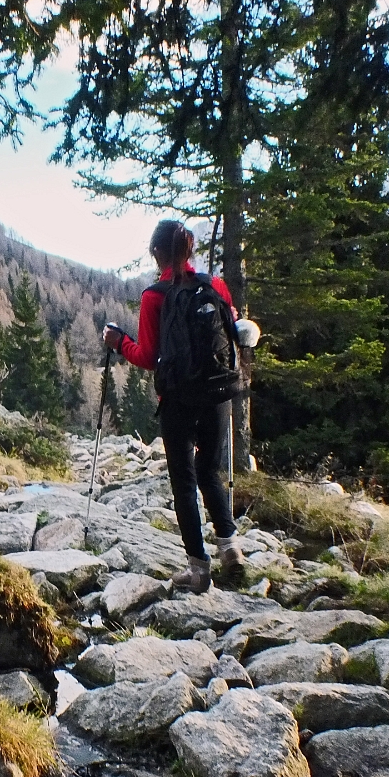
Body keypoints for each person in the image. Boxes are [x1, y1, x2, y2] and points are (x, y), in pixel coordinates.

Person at [104, 219, 246, 593]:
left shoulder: (155, 296)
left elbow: (149, 356)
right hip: (218, 392)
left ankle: (198, 570)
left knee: (183, 477)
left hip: (179, 398)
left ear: (157, 253)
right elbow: (232, 329)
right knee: (209, 470)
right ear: (190, 249)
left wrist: (119, 343)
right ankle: (231, 550)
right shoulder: (215, 286)